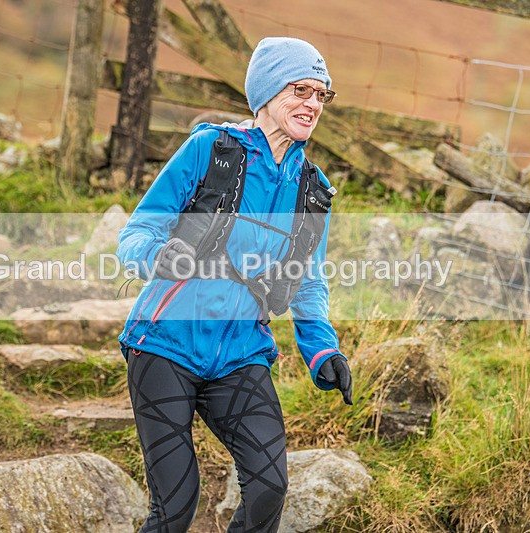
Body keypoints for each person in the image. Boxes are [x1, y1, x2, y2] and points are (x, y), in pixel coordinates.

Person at [117, 37, 353, 532]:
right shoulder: (210, 151)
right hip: (164, 345)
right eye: (300, 90)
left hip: (242, 354)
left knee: (269, 486)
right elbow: (137, 232)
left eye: (321, 95)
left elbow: (307, 280)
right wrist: (157, 255)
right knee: (176, 505)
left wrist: (322, 350)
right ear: (266, 91)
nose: (313, 104)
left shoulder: (313, 191)